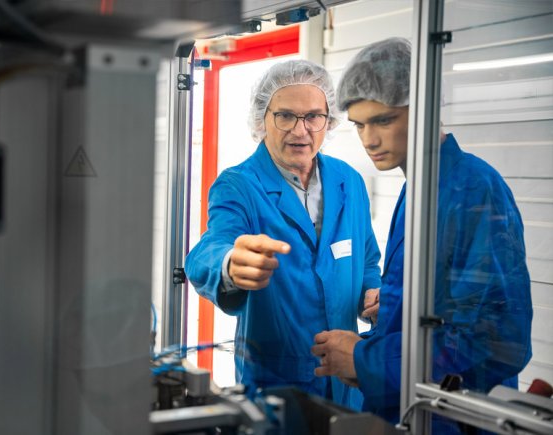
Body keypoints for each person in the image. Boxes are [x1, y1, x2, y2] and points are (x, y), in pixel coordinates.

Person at [311, 37, 533, 432]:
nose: (369, 140)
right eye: (360, 124)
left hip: (454, 419)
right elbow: (448, 304)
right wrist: (398, 304)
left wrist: (364, 360)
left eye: (383, 120)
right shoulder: (420, 184)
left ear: (426, 107)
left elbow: (495, 340)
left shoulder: (472, 189)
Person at [185, 59, 382, 410]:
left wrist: (373, 293)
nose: (300, 130)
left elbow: (366, 260)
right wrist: (230, 263)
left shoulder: (348, 180)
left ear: (329, 120)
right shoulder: (239, 184)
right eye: (286, 116)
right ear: (263, 119)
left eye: (313, 117)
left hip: (346, 379)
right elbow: (210, 248)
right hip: (276, 385)